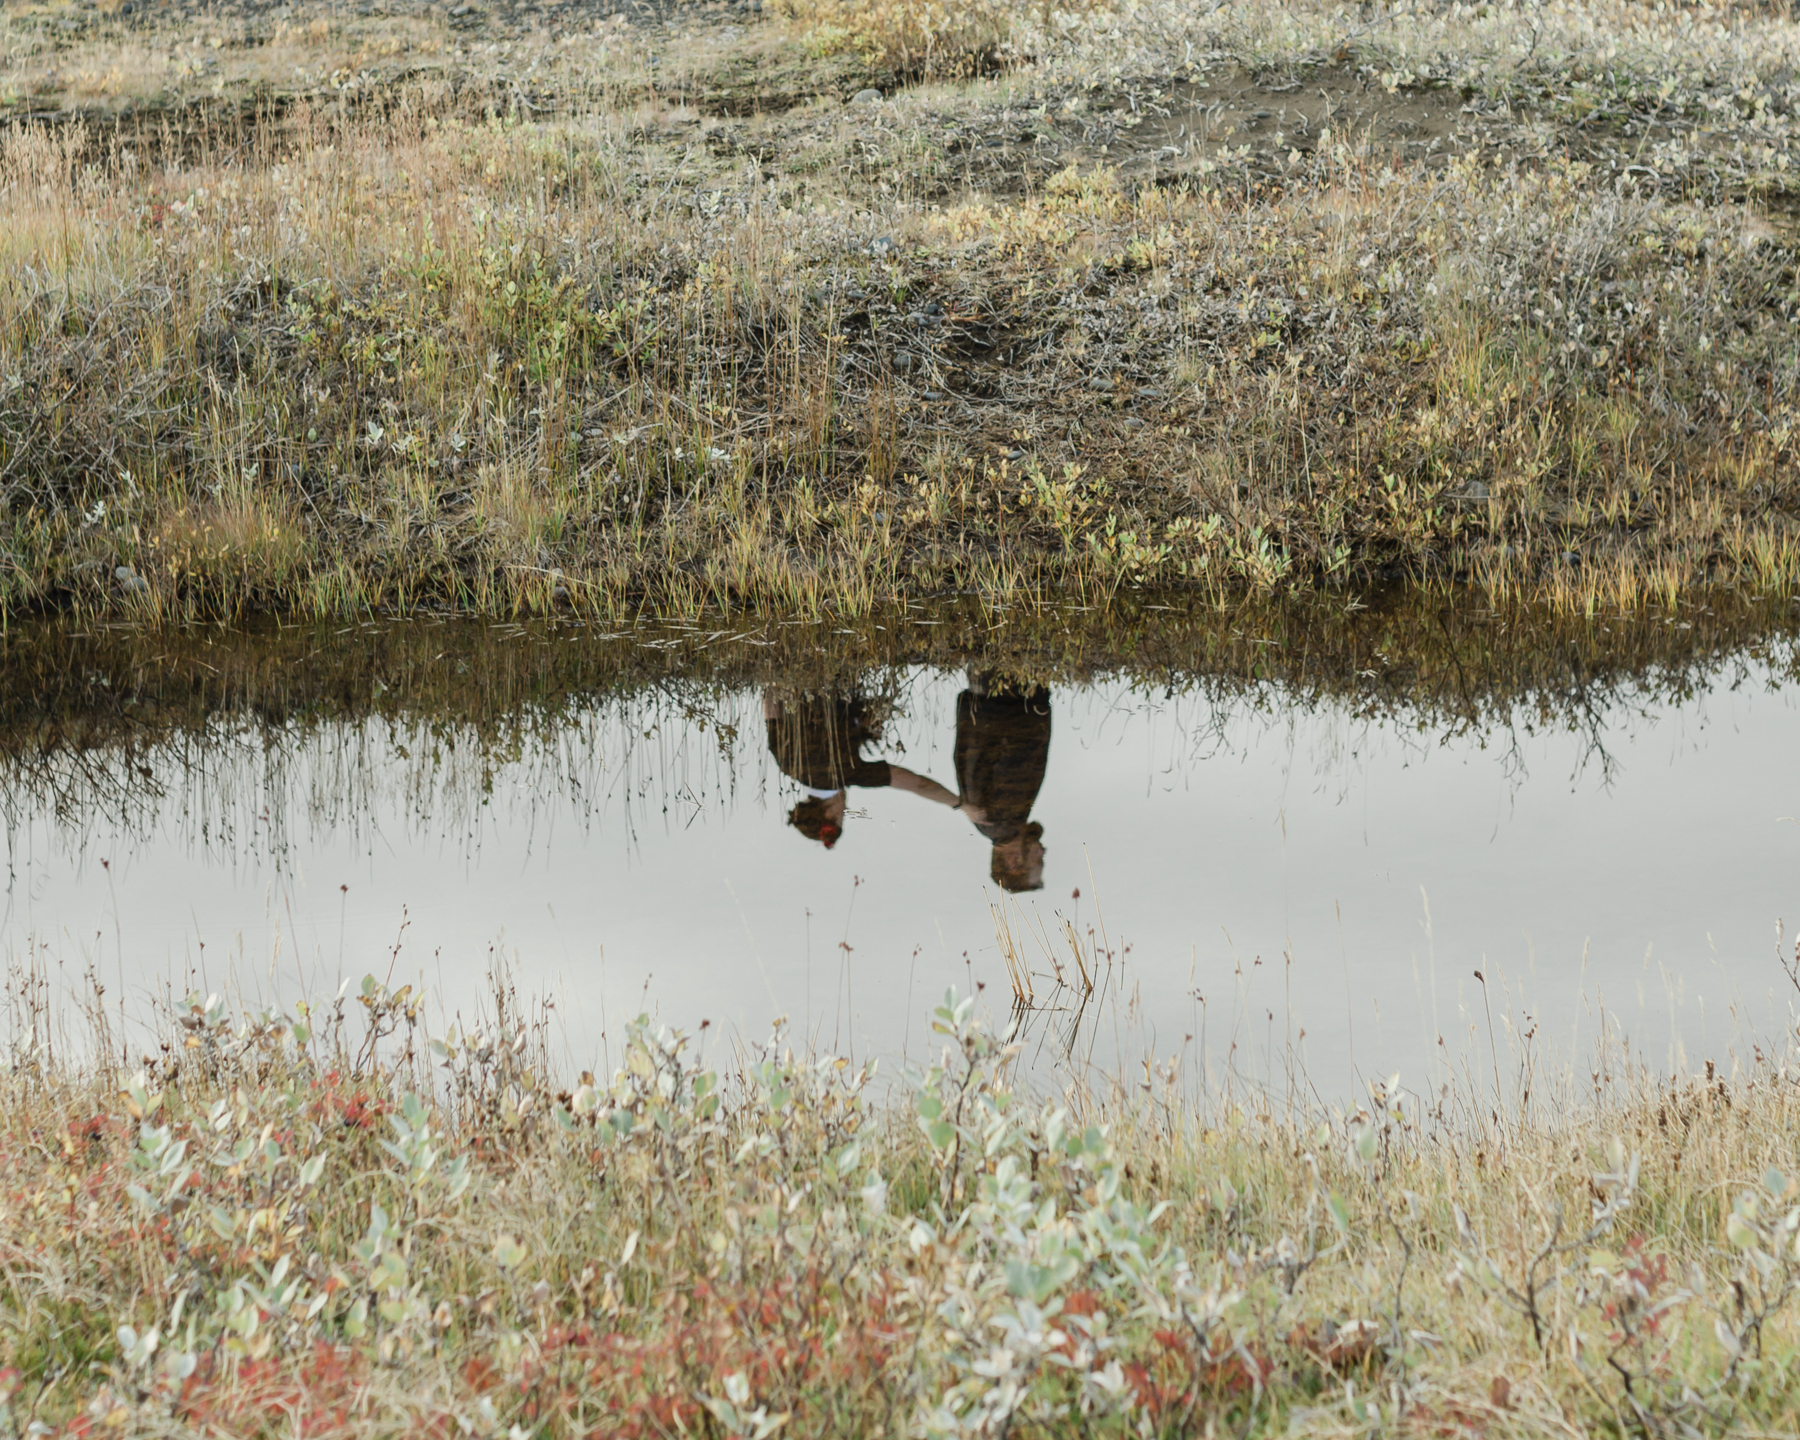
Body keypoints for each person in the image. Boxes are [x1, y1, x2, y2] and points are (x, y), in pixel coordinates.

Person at [764, 688, 958, 848]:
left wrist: (959, 804)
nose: (845, 808)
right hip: (804, 679)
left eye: (841, 816)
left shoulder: (851, 774)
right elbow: (771, 707)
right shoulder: (788, 766)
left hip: (842, 680)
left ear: (829, 814)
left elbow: (919, 784)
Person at [953, 671, 1051, 892]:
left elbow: (1018, 752)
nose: (1042, 852)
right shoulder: (990, 823)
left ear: (1014, 862)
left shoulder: (1003, 819)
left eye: (1038, 861)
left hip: (1006, 691)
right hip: (994, 692)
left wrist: (1036, 697)